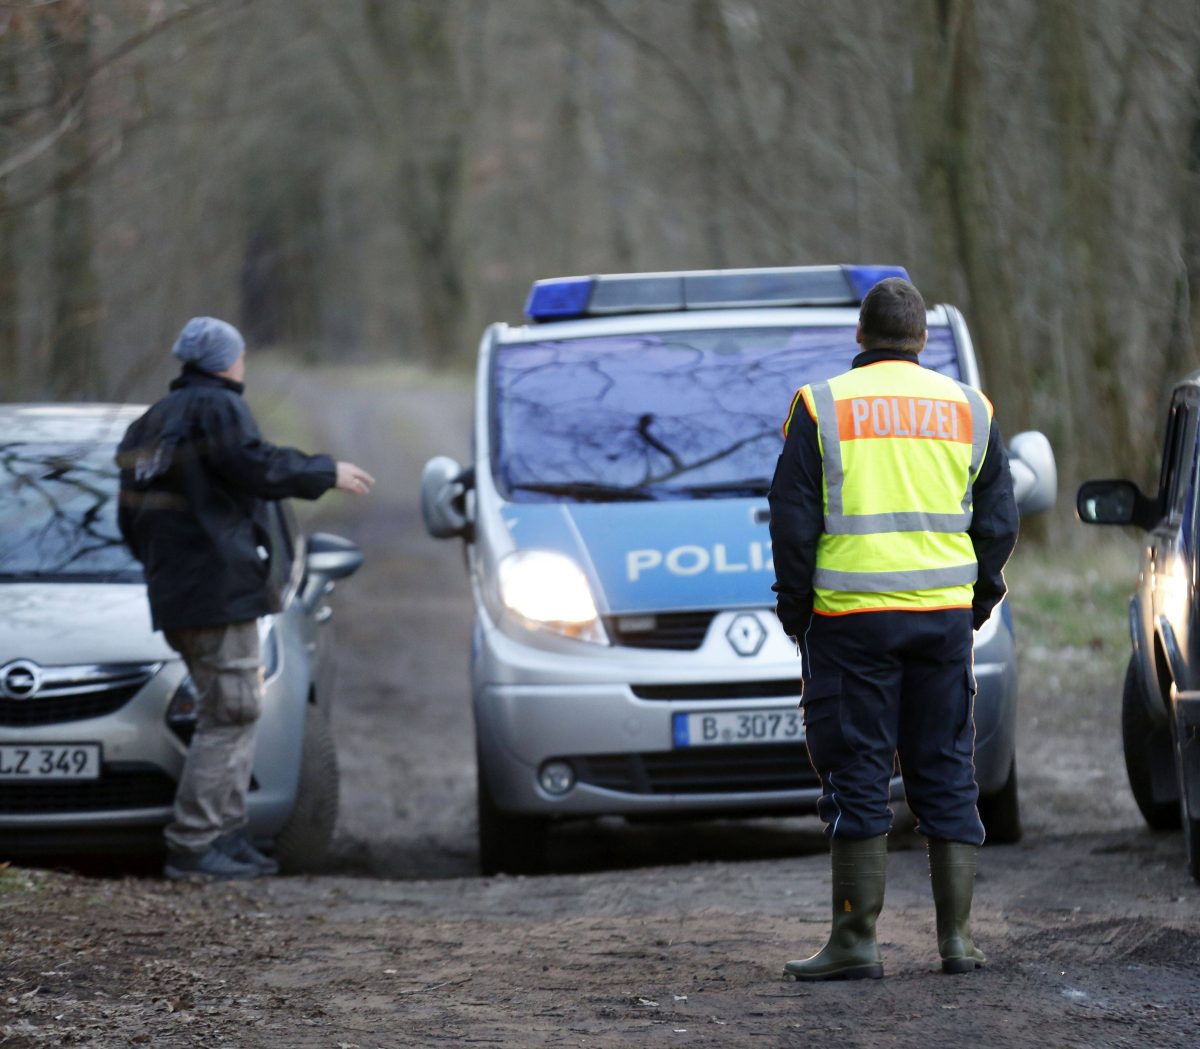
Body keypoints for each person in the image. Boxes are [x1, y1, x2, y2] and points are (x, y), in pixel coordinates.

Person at [768, 277, 1019, 980]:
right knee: (945, 767)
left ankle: (855, 940)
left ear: (860, 336)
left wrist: (799, 614)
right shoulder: (970, 409)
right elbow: (998, 519)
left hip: (849, 624)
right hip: (940, 622)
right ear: (922, 341)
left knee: (857, 772)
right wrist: (975, 600)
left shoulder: (821, 406)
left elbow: (792, 521)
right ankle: (958, 942)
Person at [117, 317, 375, 882]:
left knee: (228, 710)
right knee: (232, 712)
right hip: (217, 594)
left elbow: (129, 518)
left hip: (178, 593)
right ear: (225, 362)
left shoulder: (148, 424)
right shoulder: (217, 408)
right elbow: (253, 465)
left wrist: (167, 569)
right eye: (240, 356)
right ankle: (194, 843)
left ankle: (228, 838)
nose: (244, 365)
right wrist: (325, 470)